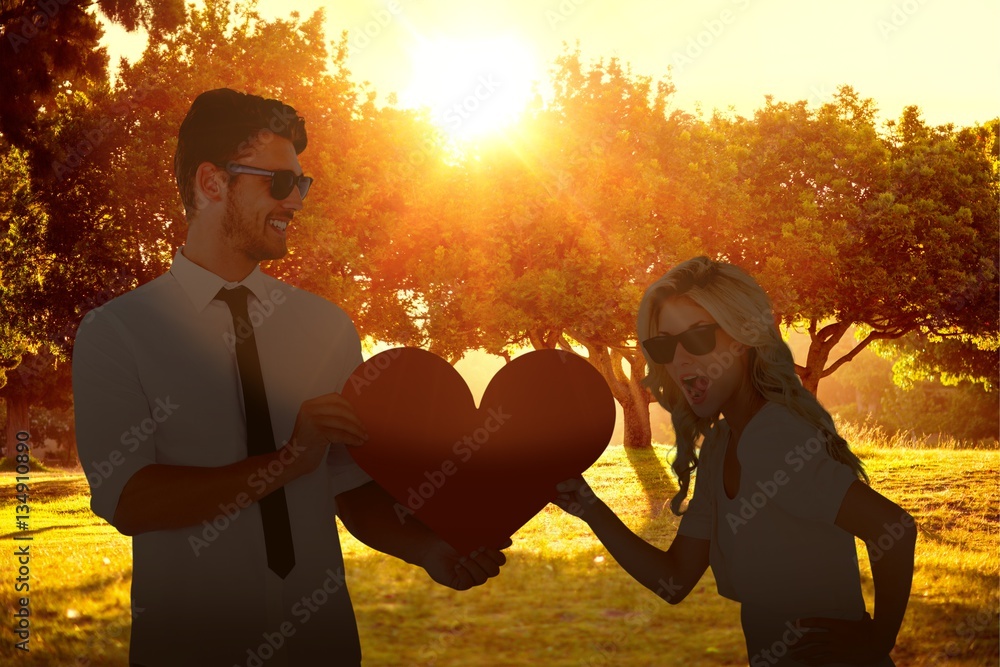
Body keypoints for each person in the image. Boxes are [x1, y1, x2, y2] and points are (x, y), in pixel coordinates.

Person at [72, 88, 507, 667]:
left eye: (301, 184)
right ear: (212, 183)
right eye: (279, 183)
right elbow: (129, 501)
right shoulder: (116, 331)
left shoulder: (326, 327)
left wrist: (429, 549)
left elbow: (347, 487)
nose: (296, 202)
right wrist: (286, 462)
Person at [553, 257, 916, 666]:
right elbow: (674, 580)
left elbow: (894, 529)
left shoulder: (772, 437)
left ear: (743, 336)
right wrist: (589, 507)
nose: (680, 360)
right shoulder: (723, 444)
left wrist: (877, 641)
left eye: (698, 337)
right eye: (664, 345)